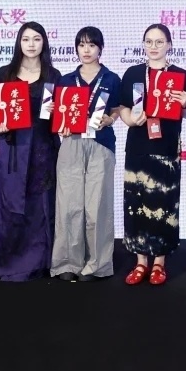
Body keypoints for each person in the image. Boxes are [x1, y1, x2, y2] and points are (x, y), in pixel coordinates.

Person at [0, 22, 62, 282]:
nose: (31, 44)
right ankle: (5, 261)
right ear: (18, 42)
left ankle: (38, 260)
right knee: (8, 203)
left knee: (40, 205)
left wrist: (58, 114)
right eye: (26, 39)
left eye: (36, 39)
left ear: (44, 42)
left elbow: (60, 117)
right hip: (12, 148)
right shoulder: (5, 73)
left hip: (42, 148)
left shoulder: (53, 75)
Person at [118, 24, 186, 286]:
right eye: (149, 41)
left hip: (167, 149)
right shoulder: (133, 73)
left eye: (159, 42)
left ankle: (159, 262)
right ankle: (140, 262)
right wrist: (130, 119)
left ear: (169, 45)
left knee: (164, 204)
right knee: (136, 204)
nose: (154, 46)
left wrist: (185, 103)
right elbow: (122, 107)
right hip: (138, 148)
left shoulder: (180, 74)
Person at [51, 27, 122, 282]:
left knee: (97, 206)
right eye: (81, 45)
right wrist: (59, 120)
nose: (86, 50)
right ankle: (66, 263)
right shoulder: (66, 80)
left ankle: (97, 264)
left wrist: (110, 118)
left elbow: (118, 109)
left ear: (100, 48)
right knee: (68, 205)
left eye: (91, 45)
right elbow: (58, 113)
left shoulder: (112, 78)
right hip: (71, 142)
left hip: (101, 144)